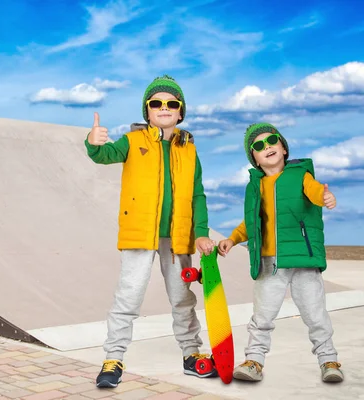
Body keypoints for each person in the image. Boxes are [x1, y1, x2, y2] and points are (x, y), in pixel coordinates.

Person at [85, 75, 217, 388]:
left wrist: (200, 233)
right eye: (156, 103)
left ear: (181, 111)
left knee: (182, 298)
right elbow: (105, 155)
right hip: (139, 233)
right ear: (147, 111)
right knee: (128, 298)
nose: (164, 107)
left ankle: (191, 354)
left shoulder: (189, 148)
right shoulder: (132, 142)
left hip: (178, 237)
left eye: (172, 103)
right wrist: (93, 142)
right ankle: (112, 359)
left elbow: (198, 194)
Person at [218, 122, 344, 383]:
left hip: (303, 258)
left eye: (272, 140)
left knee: (315, 313)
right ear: (254, 158)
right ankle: (254, 361)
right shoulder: (255, 187)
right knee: (262, 315)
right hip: (269, 261)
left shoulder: (300, 175)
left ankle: (328, 360)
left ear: (283, 147)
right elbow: (251, 222)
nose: (267, 147)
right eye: (258, 146)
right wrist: (232, 238)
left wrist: (325, 196)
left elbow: (315, 192)